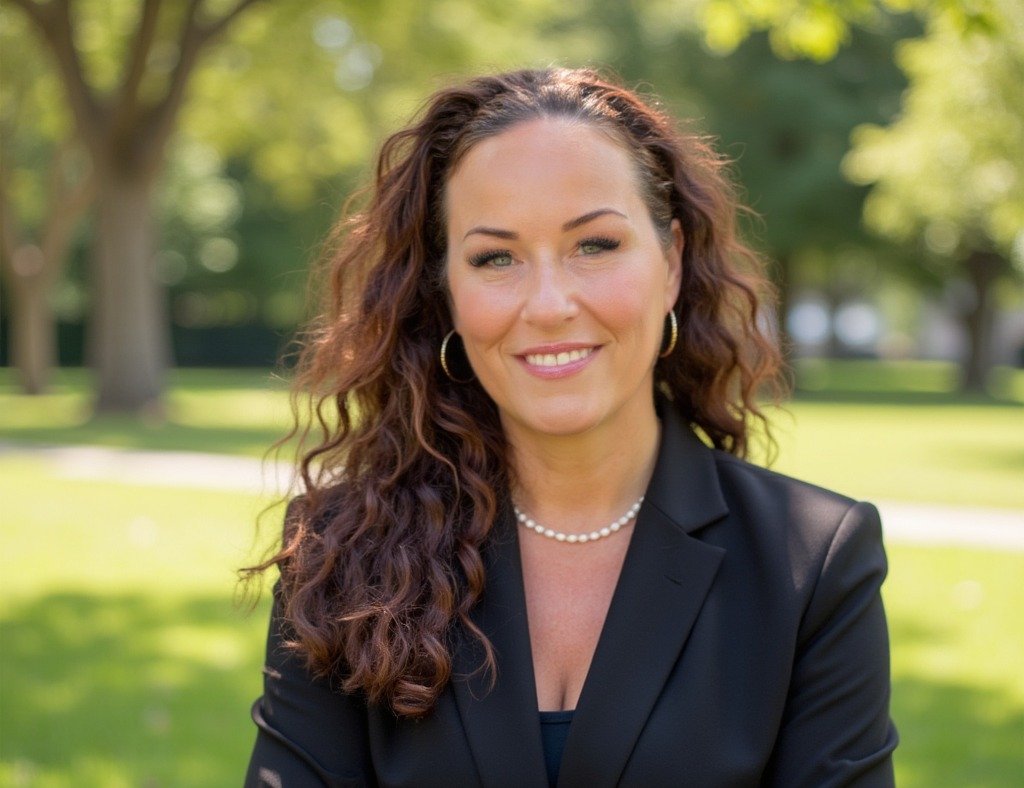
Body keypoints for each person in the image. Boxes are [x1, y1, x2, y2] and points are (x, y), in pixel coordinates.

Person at [244, 67, 898, 787]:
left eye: (595, 245)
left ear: (672, 260)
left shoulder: (813, 564)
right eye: (496, 258)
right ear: (447, 293)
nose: (550, 303)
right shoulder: (344, 552)